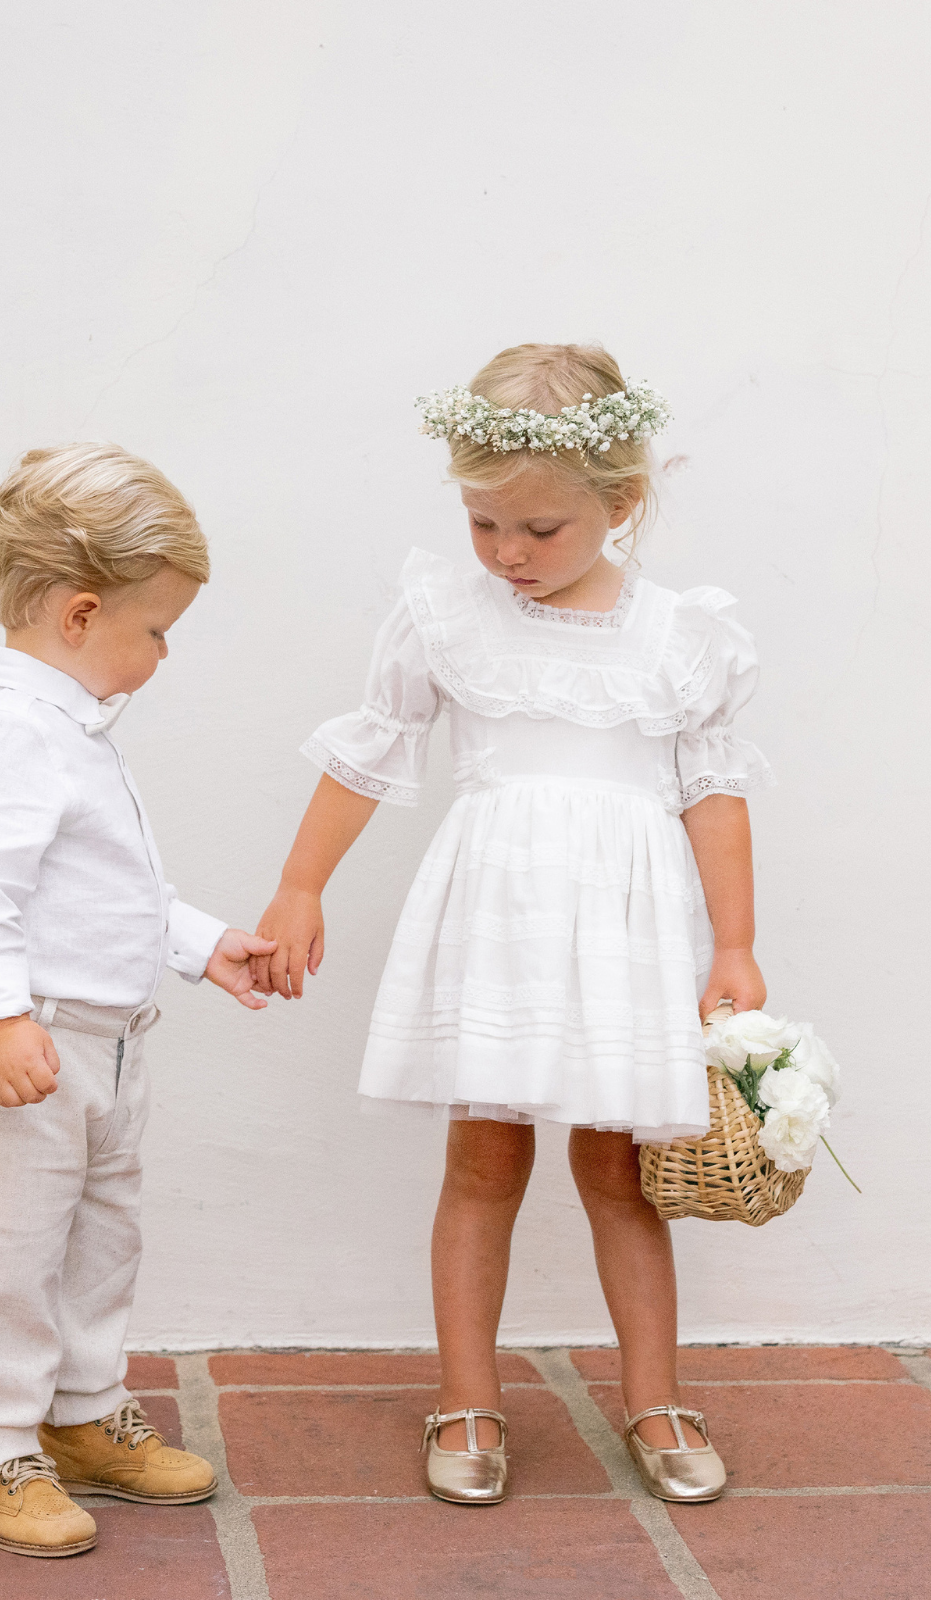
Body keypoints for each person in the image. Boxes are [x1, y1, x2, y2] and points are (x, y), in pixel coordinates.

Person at [253, 344, 774, 1506]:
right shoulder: (447, 615)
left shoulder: (677, 635)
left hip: (623, 933)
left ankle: (652, 1394)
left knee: (618, 1170)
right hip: (496, 917)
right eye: (485, 525)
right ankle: (468, 1396)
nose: (507, 554)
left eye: (539, 528)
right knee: (481, 1161)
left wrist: (731, 944)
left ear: (620, 503)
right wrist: (300, 884)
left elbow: (713, 791)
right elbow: (371, 751)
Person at [0, 443, 275, 1557]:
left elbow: (115, 890)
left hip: (109, 1046)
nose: (162, 652)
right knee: (6, 1247)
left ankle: (76, 1416)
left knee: (97, 1242)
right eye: (156, 629)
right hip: (37, 1048)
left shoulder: (67, 735)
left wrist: (203, 941)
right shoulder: (9, 735)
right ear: (78, 614)